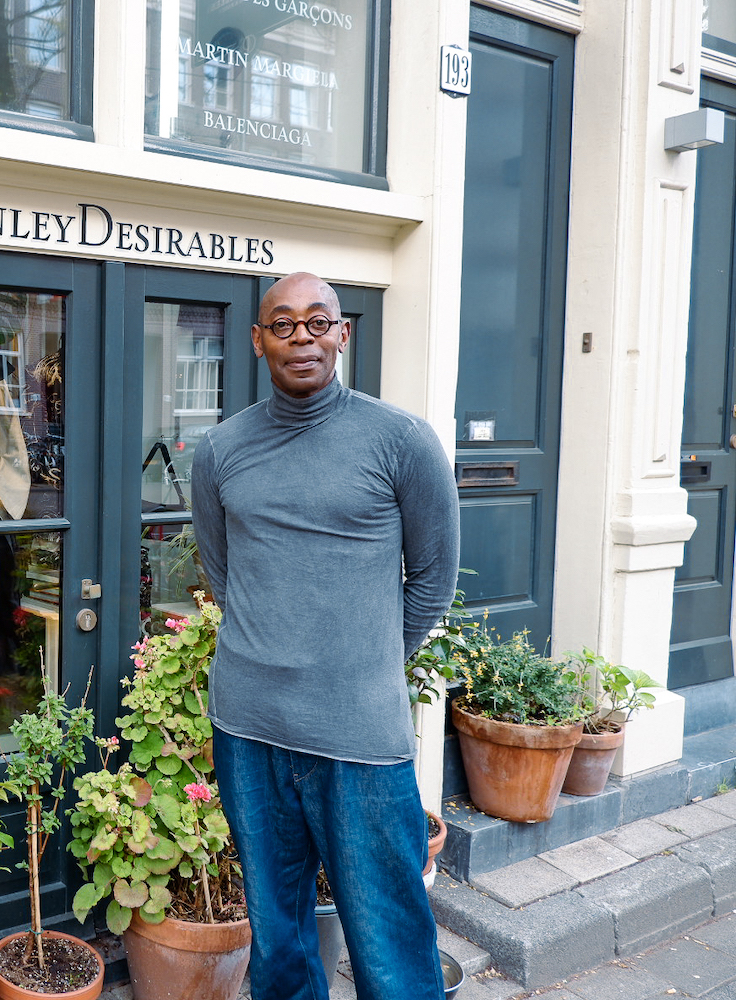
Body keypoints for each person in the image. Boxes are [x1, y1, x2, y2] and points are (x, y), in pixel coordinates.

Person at [190, 272, 459, 1000]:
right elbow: (228, 577)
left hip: (361, 741)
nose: (301, 337)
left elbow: (433, 580)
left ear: (343, 334)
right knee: (278, 945)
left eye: (318, 322)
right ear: (257, 341)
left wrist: (361, 666)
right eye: (283, 324)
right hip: (249, 733)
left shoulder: (401, 441)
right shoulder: (218, 452)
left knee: (390, 947)